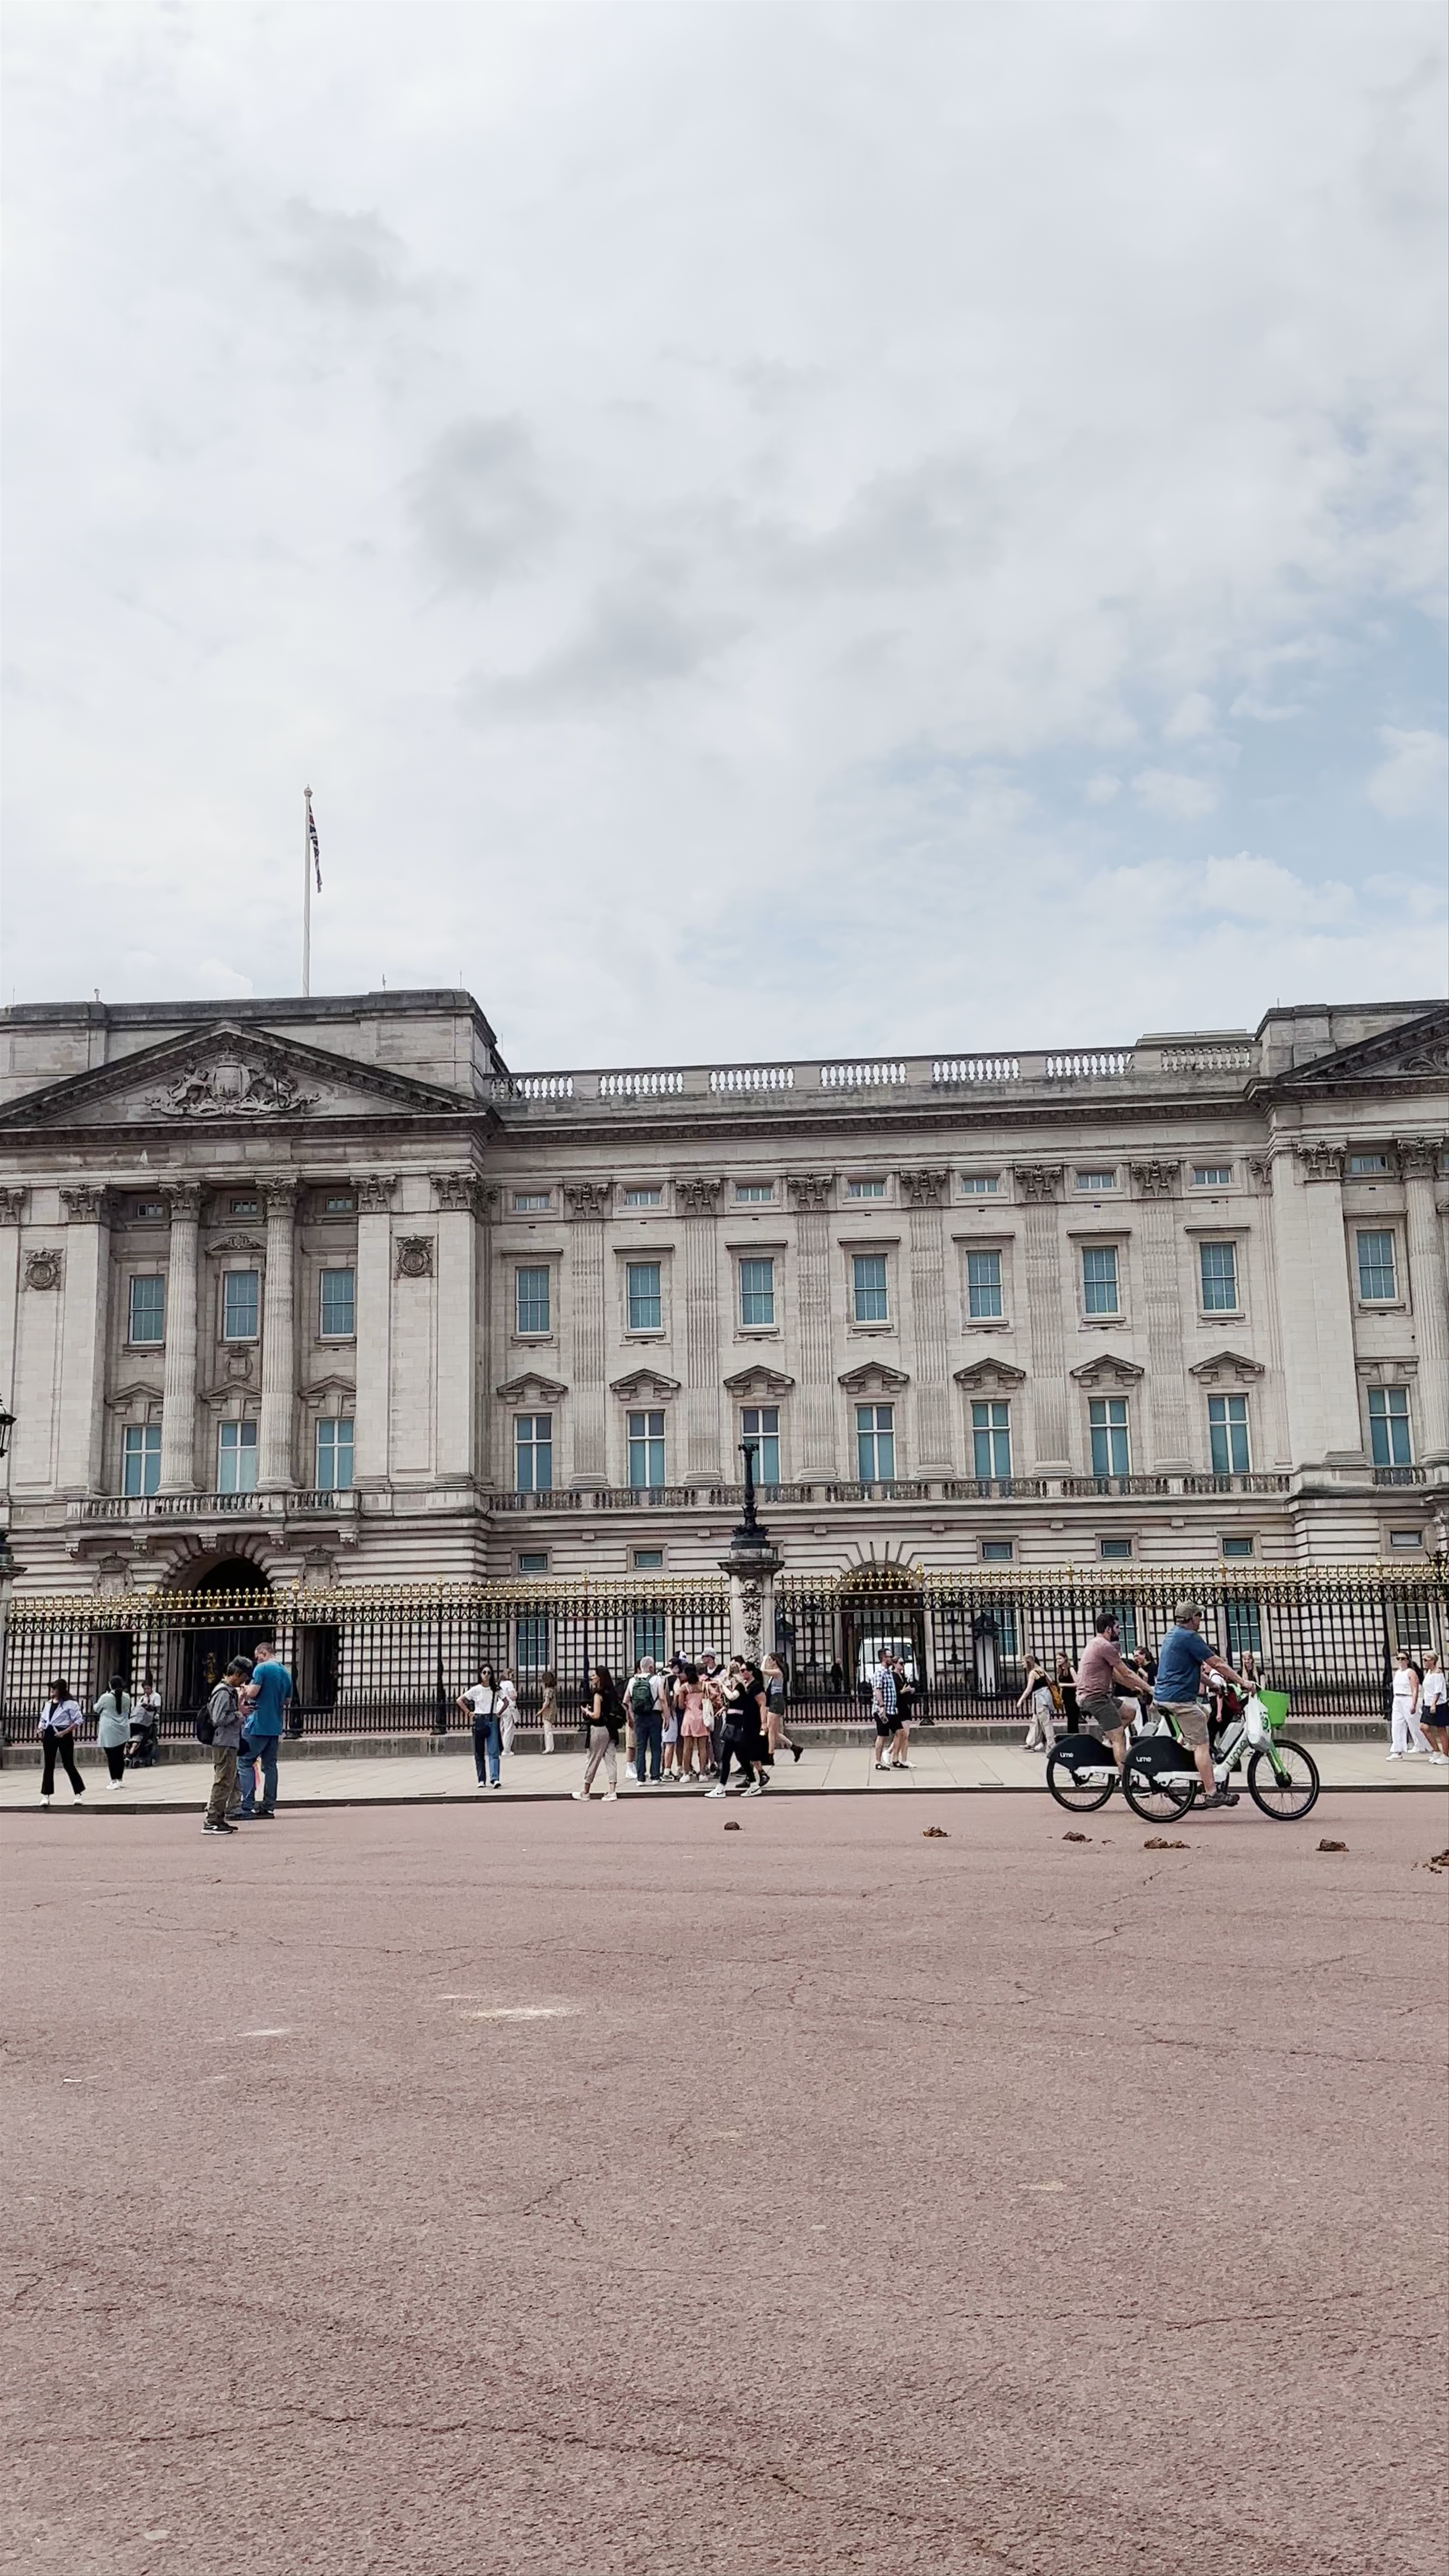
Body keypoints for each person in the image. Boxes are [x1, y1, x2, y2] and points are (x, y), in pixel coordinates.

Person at [1151, 1603, 1251, 1810]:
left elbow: (1192, 1671)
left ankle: (1182, 1752)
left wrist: (1214, 1686)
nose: (1201, 1621)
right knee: (1202, 1744)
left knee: (1204, 1714)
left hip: (1166, 1696)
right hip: (1179, 1700)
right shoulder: (1190, 1637)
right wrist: (1242, 1682)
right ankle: (1212, 1792)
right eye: (1199, 1616)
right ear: (1191, 1618)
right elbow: (1217, 1663)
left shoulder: (1173, 1635)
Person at [1073, 1615, 1150, 1769]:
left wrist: (1137, 1688)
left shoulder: (1096, 1644)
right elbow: (1127, 1672)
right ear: (1109, 1629)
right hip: (1096, 1698)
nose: (1120, 1631)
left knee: (1130, 1713)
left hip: (1100, 1696)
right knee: (1119, 1736)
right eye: (1117, 1627)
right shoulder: (1105, 1646)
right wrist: (1150, 1689)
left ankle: (1109, 1738)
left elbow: (1117, 1677)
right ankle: (1126, 1783)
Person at [237, 1635, 291, 1818]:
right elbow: (287, 1701)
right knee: (270, 1767)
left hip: (258, 1723)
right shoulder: (286, 1672)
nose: (256, 1660)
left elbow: (254, 1692)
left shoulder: (262, 1669)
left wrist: (244, 1691)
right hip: (275, 1725)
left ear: (265, 1653)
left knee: (244, 1761)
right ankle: (268, 1805)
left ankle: (247, 1804)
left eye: (257, 1656)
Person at [202, 1658, 249, 1835]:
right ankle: (212, 1820)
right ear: (236, 1675)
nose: (243, 1682)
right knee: (223, 1781)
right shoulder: (223, 1692)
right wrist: (240, 1714)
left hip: (229, 1741)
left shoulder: (229, 1691)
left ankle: (219, 1818)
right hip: (223, 1742)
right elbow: (219, 1719)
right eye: (243, 1677)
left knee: (228, 1781)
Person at [708, 1661, 769, 1795]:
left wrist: (723, 1685)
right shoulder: (743, 1687)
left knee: (729, 1757)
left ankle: (721, 1788)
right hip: (732, 1723)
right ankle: (752, 1784)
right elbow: (736, 1703)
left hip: (735, 1725)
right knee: (740, 1756)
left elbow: (732, 1697)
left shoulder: (740, 1687)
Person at [572, 1665, 622, 1800]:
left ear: (600, 1677)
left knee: (593, 1759)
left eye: (594, 1675)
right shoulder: (611, 1693)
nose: (592, 1678)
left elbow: (596, 1715)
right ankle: (612, 1791)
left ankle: (586, 1791)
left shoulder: (598, 1694)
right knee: (611, 1760)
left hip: (599, 1729)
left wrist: (586, 1711)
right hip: (611, 1730)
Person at [39, 1676, 86, 1804]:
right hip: (49, 1733)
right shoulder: (48, 1704)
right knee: (49, 1764)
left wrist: (65, 1732)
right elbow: (43, 1719)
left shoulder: (71, 1704)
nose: (52, 1691)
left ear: (60, 1690)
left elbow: (78, 1720)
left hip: (64, 1733)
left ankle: (78, 1793)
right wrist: (40, 1728)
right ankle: (46, 1795)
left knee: (68, 1764)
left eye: (54, 1689)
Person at [458, 1666, 505, 1789]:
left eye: (489, 1673)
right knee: (479, 1752)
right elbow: (460, 1700)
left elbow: (506, 1702)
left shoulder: (496, 1689)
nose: (487, 1675)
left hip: (492, 1718)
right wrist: (469, 1713)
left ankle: (495, 1778)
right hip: (479, 1719)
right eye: (484, 1672)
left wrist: (499, 1713)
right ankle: (482, 1780)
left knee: (494, 1751)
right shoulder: (476, 1689)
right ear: (480, 1674)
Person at [626, 1657, 668, 1785]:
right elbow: (662, 1698)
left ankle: (640, 1778)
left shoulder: (633, 1680)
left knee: (641, 1747)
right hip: (655, 1716)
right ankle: (655, 1777)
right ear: (651, 1667)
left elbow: (626, 1700)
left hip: (639, 1717)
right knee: (656, 1747)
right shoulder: (657, 1679)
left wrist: (631, 1715)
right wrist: (666, 1716)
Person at [1387, 1651, 1431, 1761]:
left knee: (1414, 1725)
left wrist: (1414, 1703)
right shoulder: (1398, 1673)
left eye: (1403, 1659)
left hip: (1408, 1698)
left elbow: (1415, 1689)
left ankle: (1427, 1747)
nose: (1401, 1661)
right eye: (1399, 1659)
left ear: (1407, 1660)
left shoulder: (1411, 1672)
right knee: (1397, 1725)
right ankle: (1397, 1750)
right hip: (1398, 1699)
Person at [92, 1674, 133, 1787]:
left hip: (109, 1729)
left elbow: (97, 1709)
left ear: (111, 1685)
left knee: (111, 1756)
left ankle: (113, 1780)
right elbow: (127, 1709)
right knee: (120, 1755)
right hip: (123, 1728)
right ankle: (120, 1779)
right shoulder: (127, 1697)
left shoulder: (106, 1697)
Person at [762, 1653, 803, 1764]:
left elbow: (763, 1670)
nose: (769, 1662)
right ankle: (795, 1748)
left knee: (771, 1730)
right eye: (769, 1660)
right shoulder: (774, 1674)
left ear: (775, 1661)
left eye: (771, 1660)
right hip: (774, 1700)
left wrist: (764, 1659)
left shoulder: (778, 1672)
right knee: (775, 1733)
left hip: (777, 1701)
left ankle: (770, 1757)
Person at [677, 1664, 713, 1781]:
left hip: (689, 1717)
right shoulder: (703, 1686)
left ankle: (686, 1774)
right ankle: (703, 1773)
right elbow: (714, 1694)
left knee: (688, 1747)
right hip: (701, 1718)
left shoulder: (684, 1688)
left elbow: (681, 1706)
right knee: (703, 1748)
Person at [1016, 1653, 1058, 1753]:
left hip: (1039, 1700)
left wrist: (1021, 1700)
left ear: (1028, 1662)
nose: (1022, 1665)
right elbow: (1051, 1680)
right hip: (1044, 1698)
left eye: (1023, 1662)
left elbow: (1029, 1689)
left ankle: (1052, 1746)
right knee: (1036, 1722)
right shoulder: (1040, 1670)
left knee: (1045, 1723)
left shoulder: (1033, 1673)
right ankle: (1031, 1743)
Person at [885, 1655, 915, 1770]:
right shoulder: (893, 1677)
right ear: (895, 1664)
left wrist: (910, 1690)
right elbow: (896, 1693)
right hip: (899, 1706)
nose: (903, 1666)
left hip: (905, 1705)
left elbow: (905, 1689)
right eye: (901, 1663)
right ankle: (898, 1757)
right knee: (904, 1734)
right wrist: (905, 1691)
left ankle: (894, 1755)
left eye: (904, 1664)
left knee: (905, 1734)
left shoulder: (902, 1676)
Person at [126, 1671, 162, 1768]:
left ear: (152, 1688)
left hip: (153, 1721)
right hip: (143, 1721)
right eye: (145, 1689)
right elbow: (138, 1708)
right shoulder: (143, 1698)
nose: (147, 1691)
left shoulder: (156, 1696)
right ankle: (136, 1755)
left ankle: (153, 1758)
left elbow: (157, 1709)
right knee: (141, 1738)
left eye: (148, 1689)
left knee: (153, 1739)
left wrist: (149, 1707)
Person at [1419, 1652, 1449, 1764]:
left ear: (1432, 1661)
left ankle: (1446, 1755)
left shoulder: (1438, 1673)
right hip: (1427, 1703)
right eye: (1423, 1660)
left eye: (1426, 1660)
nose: (1424, 1662)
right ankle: (1436, 1751)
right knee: (1423, 1727)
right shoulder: (1429, 1672)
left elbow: (1438, 1691)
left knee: (1441, 1729)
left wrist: (1433, 1704)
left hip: (1438, 1705)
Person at [537, 1668, 560, 1755]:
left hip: (548, 1711)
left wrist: (541, 1711)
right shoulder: (553, 1689)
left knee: (547, 1731)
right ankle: (551, 1747)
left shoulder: (547, 1691)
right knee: (549, 1730)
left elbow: (546, 1703)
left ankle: (549, 1748)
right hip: (553, 1710)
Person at [497, 1667, 520, 1756]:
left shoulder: (501, 1683)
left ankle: (505, 1747)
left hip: (500, 1707)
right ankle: (507, 1750)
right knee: (509, 1729)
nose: (513, 1677)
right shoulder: (509, 1684)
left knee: (503, 1728)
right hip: (508, 1707)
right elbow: (513, 1696)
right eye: (512, 1675)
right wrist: (516, 1694)